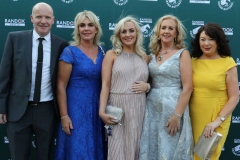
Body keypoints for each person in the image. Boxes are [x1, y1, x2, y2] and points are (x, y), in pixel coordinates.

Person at [0, 2, 68, 160]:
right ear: (31, 18)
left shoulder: (62, 45)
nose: (43, 21)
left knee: (45, 156)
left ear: (53, 20)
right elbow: (4, 75)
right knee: (18, 156)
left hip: (47, 111)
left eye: (47, 17)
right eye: (39, 17)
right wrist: (1, 107)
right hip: (17, 111)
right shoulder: (14, 38)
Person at [139, 15, 193, 160]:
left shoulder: (183, 54)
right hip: (152, 109)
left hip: (173, 109)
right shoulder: (152, 55)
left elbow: (188, 88)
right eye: (163, 28)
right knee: (152, 147)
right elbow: (148, 81)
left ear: (176, 33)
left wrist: (177, 116)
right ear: (158, 31)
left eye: (171, 28)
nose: (166, 31)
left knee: (170, 148)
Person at [54, 10, 106, 160]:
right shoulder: (69, 52)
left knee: (95, 147)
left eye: (90, 25)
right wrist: (64, 116)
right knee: (76, 148)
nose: (86, 28)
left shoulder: (103, 52)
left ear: (96, 28)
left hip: (97, 108)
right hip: (75, 109)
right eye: (82, 25)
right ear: (77, 29)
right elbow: (60, 86)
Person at [99, 16, 149, 160]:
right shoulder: (112, 55)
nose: (128, 35)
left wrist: (148, 86)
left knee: (135, 146)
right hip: (117, 107)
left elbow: (154, 83)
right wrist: (102, 111)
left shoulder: (144, 57)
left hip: (138, 107)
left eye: (131, 31)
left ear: (137, 33)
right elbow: (105, 84)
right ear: (118, 35)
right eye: (123, 31)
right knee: (116, 148)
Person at [190, 23, 239, 160]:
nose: (206, 43)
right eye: (203, 39)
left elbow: (234, 97)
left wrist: (218, 120)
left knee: (208, 155)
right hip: (194, 116)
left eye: (211, 39)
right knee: (194, 155)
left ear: (218, 41)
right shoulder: (192, 62)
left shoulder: (228, 62)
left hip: (217, 117)